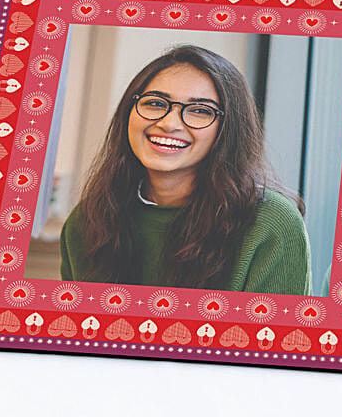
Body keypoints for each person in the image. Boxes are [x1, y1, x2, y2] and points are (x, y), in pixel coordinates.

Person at [59, 44, 312, 295]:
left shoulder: (271, 222)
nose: (169, 123)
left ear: (228, 130)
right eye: (156, 103)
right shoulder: (87, 222)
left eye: (200, 111)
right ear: (128, 112)